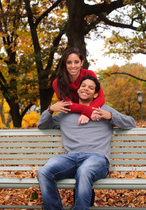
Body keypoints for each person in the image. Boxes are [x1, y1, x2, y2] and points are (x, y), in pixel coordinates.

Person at [38, 75, 136, 210]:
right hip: (70, 158)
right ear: (78, 90)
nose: (86, 89)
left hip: (97, 158)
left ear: (96, 94)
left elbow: (131, 123)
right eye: (83, 86)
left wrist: (110, 116)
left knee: (84, 171)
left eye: (91, 88)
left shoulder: (103, 109)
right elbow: (42, 125)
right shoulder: (66, 111)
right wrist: (50, 109)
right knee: (43, 172)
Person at [52, 47, 105, 125]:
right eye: (69, 62)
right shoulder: (57, 82)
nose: (73, 66)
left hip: (93, 114)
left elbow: (100, 98)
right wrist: (87, 111)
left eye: (76, 62)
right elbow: (68, 105)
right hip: (72, 116)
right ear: (65, 64)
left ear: (82, 62)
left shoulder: (89, 74)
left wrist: (87, 113)